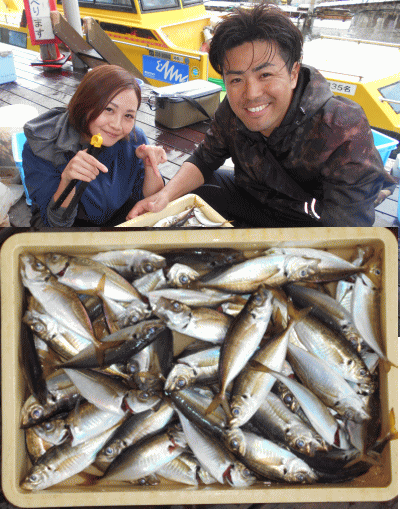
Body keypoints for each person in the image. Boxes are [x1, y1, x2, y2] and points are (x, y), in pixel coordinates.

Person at [126, 2, 395, 227]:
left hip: (310, 223)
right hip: (255, 201)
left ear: (292, 73)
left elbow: (346, 230)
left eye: (265, 74)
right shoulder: (231, 110)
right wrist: (163, 197)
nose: (251, 94)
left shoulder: (341, 126)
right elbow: (205, 158)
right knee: (190, 189)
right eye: (236, 80)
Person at [23, 64, 166, 227]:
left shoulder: (133, 137)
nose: (117, 125)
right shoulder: (44, 146)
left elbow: (152, 201)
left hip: (118, 220)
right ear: (85, 104)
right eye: (109, 109)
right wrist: (68, 179)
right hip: (69, 229)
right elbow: (56, 224)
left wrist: (149, 166)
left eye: (128, 115)